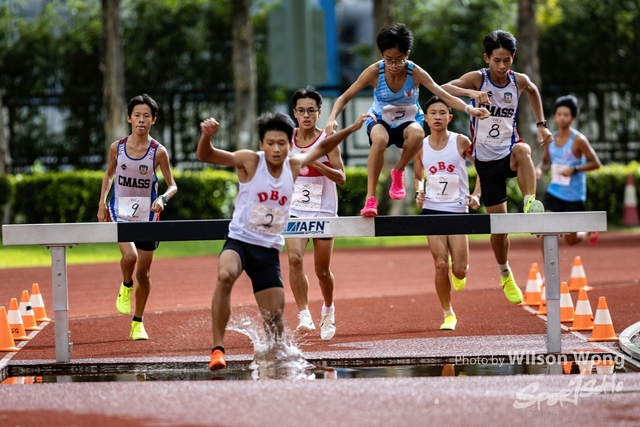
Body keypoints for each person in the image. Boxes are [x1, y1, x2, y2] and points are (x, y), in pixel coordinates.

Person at [197, 111, 372, 371]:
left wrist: (353, 127)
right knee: (225, 275)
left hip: (267, 251)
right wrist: (206, 136)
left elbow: (324, 146)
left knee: (275, 320)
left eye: (281, 143)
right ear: (261, 145)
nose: (276, 149)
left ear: (290, 145)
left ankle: (276, 358)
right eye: (270, 143)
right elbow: (206, 155)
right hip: (239, 242)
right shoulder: (249, 162)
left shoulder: (294, 165)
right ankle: (218, 349)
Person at [324, 23, 490, 217]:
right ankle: (371, 198)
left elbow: (443, 94)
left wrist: (469, 109)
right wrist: (331, 118)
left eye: (399, 60)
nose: (394, 66)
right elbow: (345, 96)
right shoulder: (374, 71)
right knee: (379, 140)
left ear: (407, 55)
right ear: (381, 55)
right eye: (389, 60)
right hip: (380, 119)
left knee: (419, 133)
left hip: (408, 121)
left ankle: (398, 170)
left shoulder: (415, 72)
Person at [441, 29, 552, 305]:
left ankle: (530, 202)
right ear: (487, 58)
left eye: (507, 60)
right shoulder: (478, 78)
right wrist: (471, 93)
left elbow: (533, 89)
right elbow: (441, 89)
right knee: (499, 228)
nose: (502, 67)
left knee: (524, 149)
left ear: (513, 58)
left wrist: (541, 125)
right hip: (486, 163)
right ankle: (505, 272)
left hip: (509, 152)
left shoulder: (518, 81)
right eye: (497, 61)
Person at [97, 94, 178, 340]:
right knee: (129, 256)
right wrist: (102, 203)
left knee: (144, 273)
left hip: (147, 216)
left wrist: (162, 199)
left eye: (146, 116)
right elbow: (109, 175)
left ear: (153, 120)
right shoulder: (117, 147)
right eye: (137, 115)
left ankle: (138, 321)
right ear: (129, 118)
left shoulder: (158, 152)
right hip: (119, 210)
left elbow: (172, 185)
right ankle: (125, 284)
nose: (141, 120)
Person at [414, 96, 481, 331]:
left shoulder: (461, 142)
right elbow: (417, 175)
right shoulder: (420, 145)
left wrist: (476, 194)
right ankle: (448, 313)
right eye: (433, 113)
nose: (438, 117)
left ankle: (458, 274)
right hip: (431, 210)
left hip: (457, 211)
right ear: (425, 117)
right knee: (440, 265)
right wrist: (419, 191)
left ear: (450, 117)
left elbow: (482, 167)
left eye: (442, 112)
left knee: (459, 269)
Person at [286, 88, 343, 340]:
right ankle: (304, 314)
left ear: (319, 113)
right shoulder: (287, 139)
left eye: (311, 110)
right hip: (294, 211)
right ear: (294, 113)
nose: (306, 115)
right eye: (301, 111)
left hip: (323, 211)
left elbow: (341, 178)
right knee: (295, 259)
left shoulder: (327, 141)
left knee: (322, 270)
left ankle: (328, 309)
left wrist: (315, 163)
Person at [535, 95, 602, 245]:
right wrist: (539, 169)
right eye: (559, 114)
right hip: (554, 192)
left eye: (566, 115)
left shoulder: (579, 140)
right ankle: (548, 268)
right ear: (554, 116)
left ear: (573, 118)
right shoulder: (549, 139)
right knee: (546, 230)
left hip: (574, 196)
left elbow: (596, 163)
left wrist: (575, 169)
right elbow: (545, 162)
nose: (562, 118)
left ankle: (587, 232)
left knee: (570, 241)